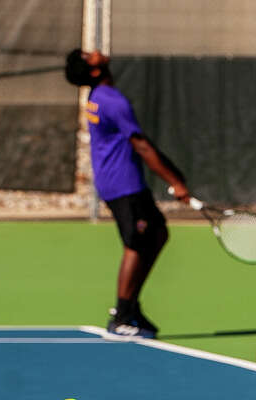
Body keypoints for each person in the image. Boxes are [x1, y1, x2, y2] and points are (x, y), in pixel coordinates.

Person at [65, 49, 189, 338]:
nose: (94, 51)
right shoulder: (112, 100)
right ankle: (121, 315)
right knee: (136, 244)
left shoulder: (97, 96)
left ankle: (131, 305)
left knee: (157, 233)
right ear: (94, 71)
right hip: (123, 184)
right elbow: (142, 145)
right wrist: (176, 182)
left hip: (118, 181)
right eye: (88, 55)